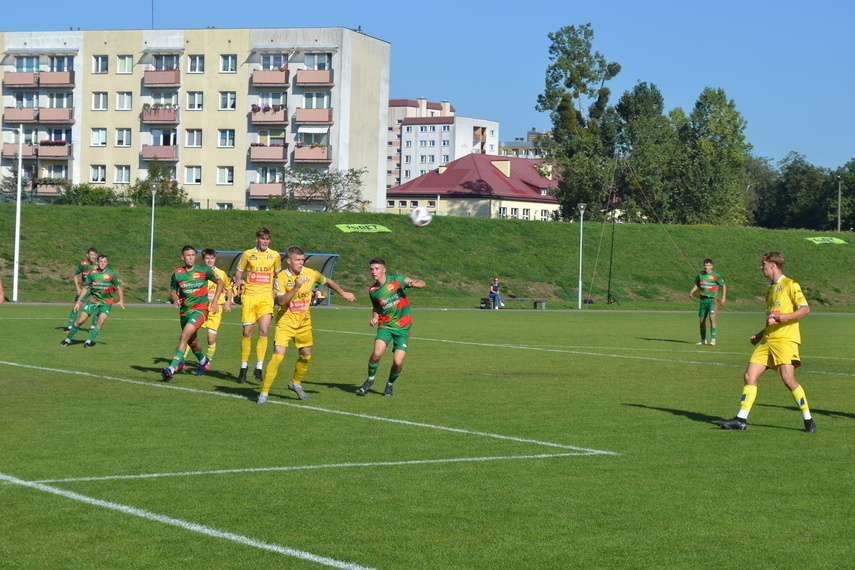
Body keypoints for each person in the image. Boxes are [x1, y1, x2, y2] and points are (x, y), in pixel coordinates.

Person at [717, 251, 815, 433]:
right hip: (768, 340)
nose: (761, 268)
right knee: (749, 376)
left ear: (773, 265)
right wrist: (760, 334)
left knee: (788, 379)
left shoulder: (790, 284)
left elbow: (805, 309)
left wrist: (787, 316)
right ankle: (741, 419)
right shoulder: (769, 289)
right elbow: (771, 318)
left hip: (785, 340)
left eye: (763, 264)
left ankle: (808, 419)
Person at [257, 246, 356, 404]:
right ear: (289, 261)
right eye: (297, 260)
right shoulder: (281, 278)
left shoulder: (310, 274)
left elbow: (327, 281)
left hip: (304, 322)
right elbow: (280, 301)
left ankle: (295, 383)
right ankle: (264, 393)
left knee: (306, 356)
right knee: (277, 356)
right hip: (286, 322)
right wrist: (296, 287)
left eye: (302, 260)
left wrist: (343, 293)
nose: (301, 263)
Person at [357, 257, 426, 397]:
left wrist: (412, 283)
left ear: (384, 270)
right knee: (376, 354)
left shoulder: (397, 280)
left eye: (377, 269)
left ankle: (389, 384)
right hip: (385, 326)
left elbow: (422, 284)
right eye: (371, 269)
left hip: (403, 328)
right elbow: (376, 307)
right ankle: (370, 379)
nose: (374, 272)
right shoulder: (373, 290)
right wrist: (375, 318)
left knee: (398, 361)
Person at [161, 246, 224, 381]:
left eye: (192, 255)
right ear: (182, 257)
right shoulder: (177, 273)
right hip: (185, 312)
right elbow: (173, 291)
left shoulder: (204, 271)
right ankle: (203, 361)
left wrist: (214, 301)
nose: (190, 257)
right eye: (187, 255)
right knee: (192, 341)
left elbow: (220, 282)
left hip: (200, 310)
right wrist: (176, 299)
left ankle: (171, 368)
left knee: (184, 335)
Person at [233, 228, 281, 383]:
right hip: (249, 297)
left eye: (267, 239)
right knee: (247, 333)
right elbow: (239, 272)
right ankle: (243, 366)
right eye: (262, 239)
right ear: (257, 240)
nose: (264, 241)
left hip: (266, 298)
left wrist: (280, 293)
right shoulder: (247, 254)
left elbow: (279, 276)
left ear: (269, 240)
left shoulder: (275, 255)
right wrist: (238, 280)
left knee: (264, 330)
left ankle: (259, 367)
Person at [61, 254, 125, 347]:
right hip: (93, 300)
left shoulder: (112, 273)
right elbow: (85, 288)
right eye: (101, 261)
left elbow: (119, 287)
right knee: (81, 320)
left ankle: (88, 342)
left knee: (101, 320)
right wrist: (78, 302)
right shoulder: (92, 273)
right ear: (97, 262)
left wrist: (121, 300)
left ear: (107, 263)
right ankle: (68, 339)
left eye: (104, 262)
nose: (103, 263)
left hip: (106, 302)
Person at [199, 248, 234, 365]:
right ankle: (182, 359)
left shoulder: (221, 274)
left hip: (216, 309)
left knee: (210, 338)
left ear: (215, 259)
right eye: (207, 258)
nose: (210, 260)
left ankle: (207, 361)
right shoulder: (199, 273)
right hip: (201, 307)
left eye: (212, 258)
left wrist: (228, 302)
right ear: (203, 259)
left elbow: (229, 288)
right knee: (190, 334)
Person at [689, 258, 727, 346]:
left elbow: (723, 285)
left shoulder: (715, 275)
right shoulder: (700, 274)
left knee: (712, 318)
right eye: (705, 265)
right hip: (703, 299)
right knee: (702, 320)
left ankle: (713, 339)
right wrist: (692, 291)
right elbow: (697, 284)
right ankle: (703, 340)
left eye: (708, 265)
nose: (706, 267)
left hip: (713, 300)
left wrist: (723, 297)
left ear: (712, 266)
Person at [66, 247, 99, 330]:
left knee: (97, 307)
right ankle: (70, 327)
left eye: (94, 255)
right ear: (87, 255)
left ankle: (92, 327)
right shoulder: (83, 264)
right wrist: (78, 288)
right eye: (91, 254)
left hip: (95, 289)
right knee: (77, 306)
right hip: (84, 289)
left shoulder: (99, 265)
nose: (93, 256)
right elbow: (76, 276)